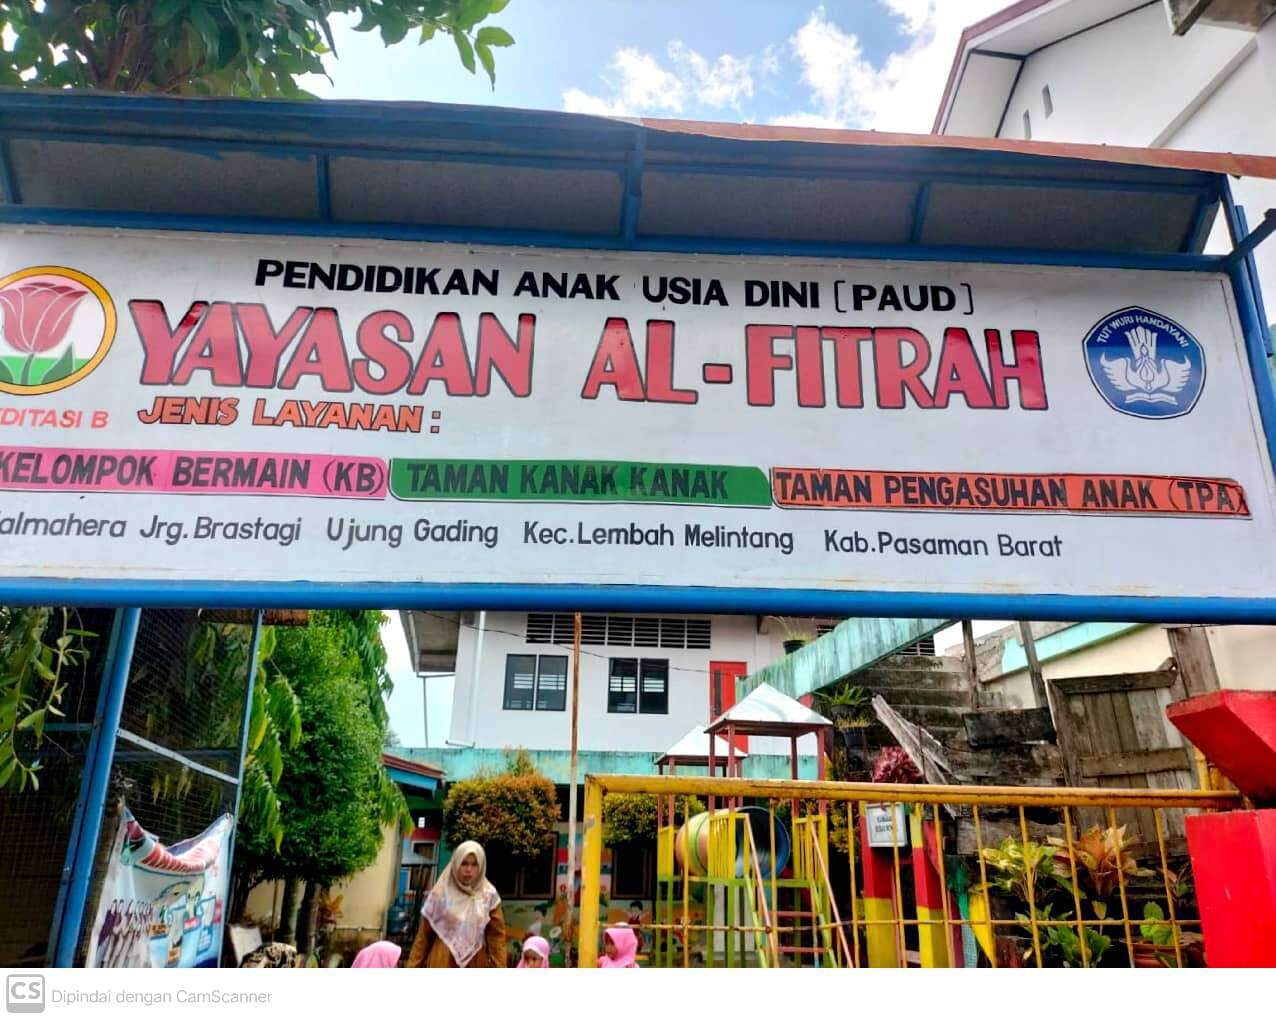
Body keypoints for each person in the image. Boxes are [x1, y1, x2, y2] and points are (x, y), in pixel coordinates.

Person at [406, 840, 506, 968]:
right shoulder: (441, 893)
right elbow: (424, 937)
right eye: (464, 863)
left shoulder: (488, 896)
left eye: (474, 864)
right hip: (441, 960)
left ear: (481, 866)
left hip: (475, 962)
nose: (468, 870)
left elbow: (497, 938)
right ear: (456, 863)